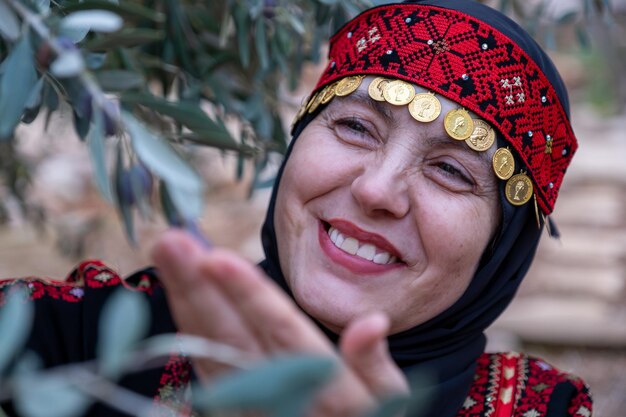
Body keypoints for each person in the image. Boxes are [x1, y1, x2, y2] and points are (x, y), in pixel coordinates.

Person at [0, 1, 592, 416]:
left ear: (503, 245)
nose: (377, 191)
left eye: (450, 171)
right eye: (357, 127)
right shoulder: (88, 339)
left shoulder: (546, 409)